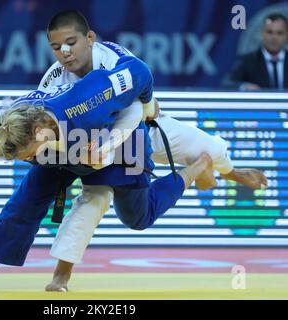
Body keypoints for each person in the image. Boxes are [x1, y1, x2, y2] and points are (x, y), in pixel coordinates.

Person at [38, 10, 269, 291]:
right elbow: (46, 123)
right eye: (56, 47)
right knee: (95, 199)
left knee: (205, 146)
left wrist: (145, 112)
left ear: (90, 39)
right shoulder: (53, 81)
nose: (65, 52)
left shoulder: (116, 59)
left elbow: (145, 106)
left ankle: (227, 172)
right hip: (97, 144)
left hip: (140, 129)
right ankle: (61, 276)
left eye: (71, 43)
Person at [0, 54, 215, 292]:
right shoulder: (17, 123)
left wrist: (147, 104)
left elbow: (139, 71)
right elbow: (32, 153)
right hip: (64, 150)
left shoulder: (83, 101)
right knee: (20, 208)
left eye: (28, 155)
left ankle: (196, 168)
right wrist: (44, 154)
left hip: (122, 141)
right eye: (26, 158)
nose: (29, 159)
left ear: (36, 132)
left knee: (138, 217)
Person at [222, 13, 288, 90]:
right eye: (269, 32)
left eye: (279, 33)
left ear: (286, 36)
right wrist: (243, 86)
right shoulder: (248, 61)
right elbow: (227, 83)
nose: (274, 37)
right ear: (262, 33)